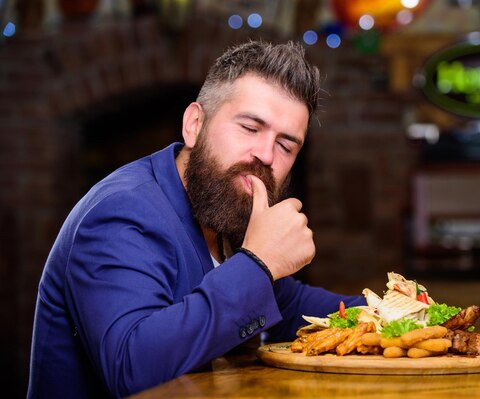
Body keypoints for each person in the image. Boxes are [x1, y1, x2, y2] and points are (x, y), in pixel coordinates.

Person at [27, 40, 366, 398]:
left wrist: (391, 309)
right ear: (194, 124)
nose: (265, 155)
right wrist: (260, 262)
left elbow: (293, 306)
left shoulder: (224, 208)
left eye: (285, 145)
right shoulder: (122, 212)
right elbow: (131, 369)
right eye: (250, 128)